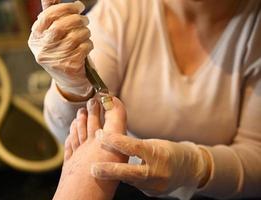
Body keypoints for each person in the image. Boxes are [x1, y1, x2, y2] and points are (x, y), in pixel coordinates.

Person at [28, 0, 261, 199]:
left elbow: (256, 158)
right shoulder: (124, 10)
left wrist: (195, 167)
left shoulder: (254, 28)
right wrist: (71, 86)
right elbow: (70, 134)